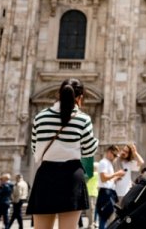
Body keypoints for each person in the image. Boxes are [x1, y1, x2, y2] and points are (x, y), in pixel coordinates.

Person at [26, 78, 99, 229]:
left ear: (59, 95)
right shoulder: (83, 119)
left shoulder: (41, 117)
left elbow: (35, 148)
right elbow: (89, 151)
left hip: (46, 176)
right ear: (80, 98)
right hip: (72, 176)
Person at [96, 146, 124, 229]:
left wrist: (117, 177)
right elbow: (103, 178)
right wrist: (116, 174)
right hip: (105, 193)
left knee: (108, 217)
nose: (115, 158)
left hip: (109, 192)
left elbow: (108, 180)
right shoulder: (104, 162)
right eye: (114, 155)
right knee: (104, 217)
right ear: (109, 152)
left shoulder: (108, 163)